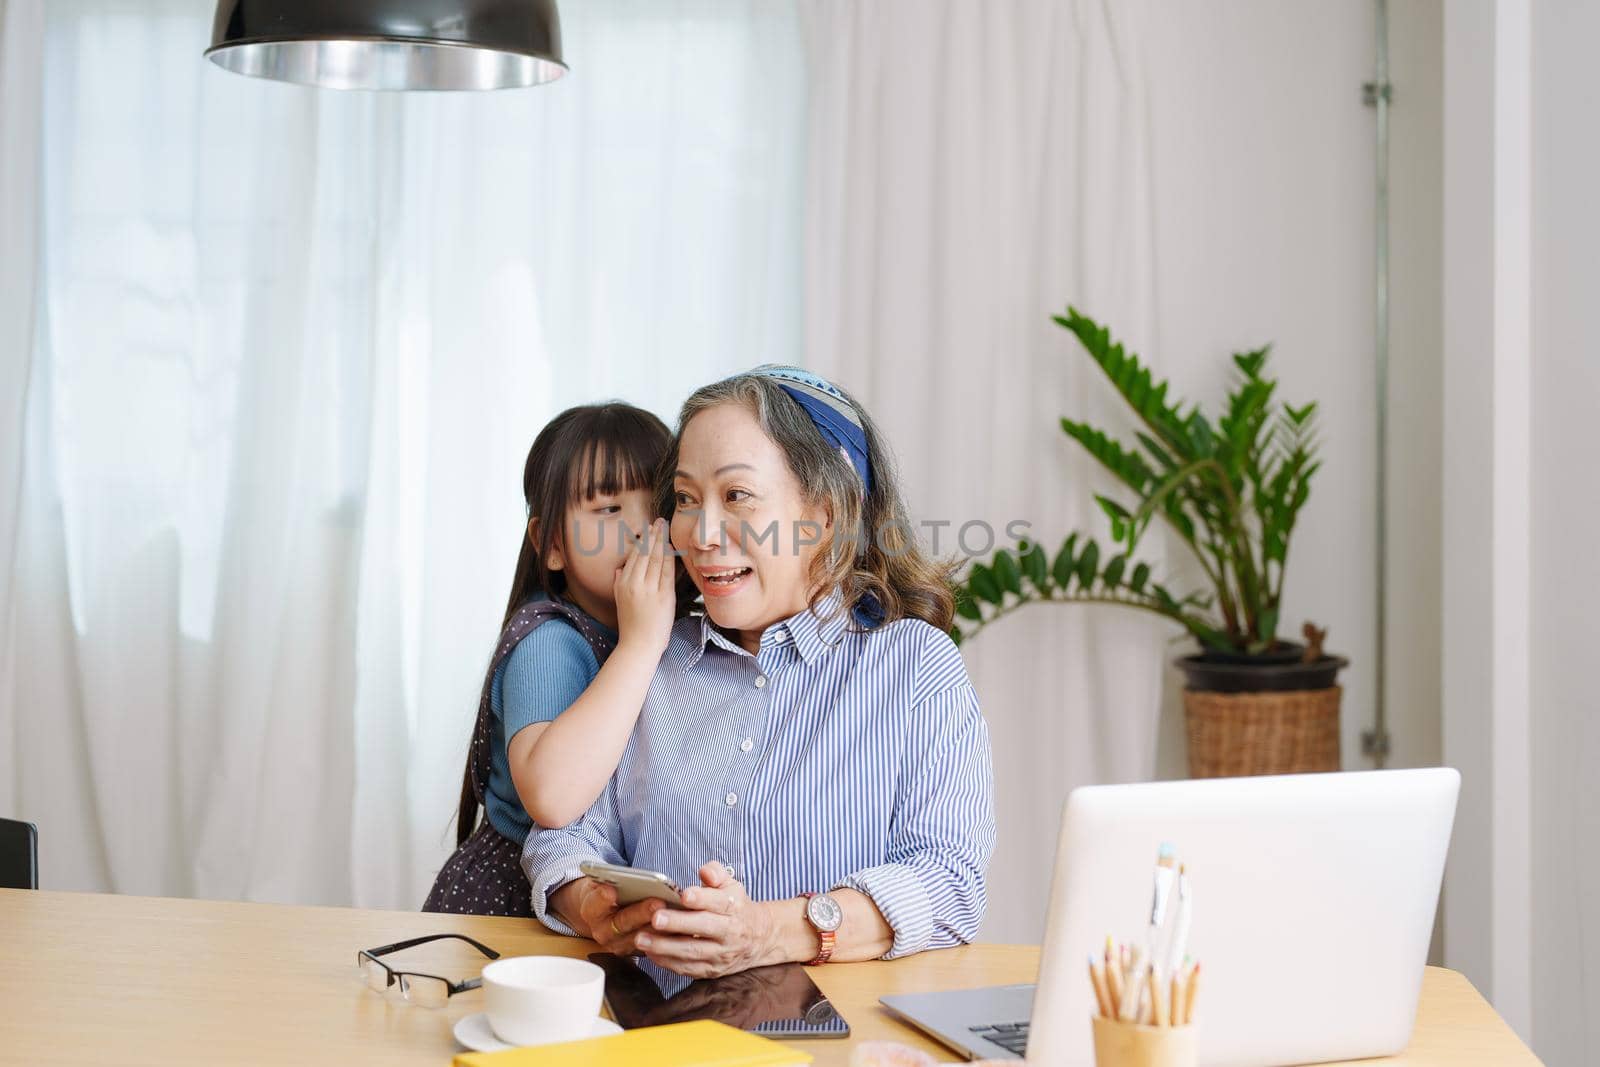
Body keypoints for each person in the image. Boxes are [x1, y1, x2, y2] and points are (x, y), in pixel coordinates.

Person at [524, 366, 995, 976]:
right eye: (688, 500)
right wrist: (595, 907)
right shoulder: (646, 660)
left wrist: (773, 931)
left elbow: (950, 882)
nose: (702, 532)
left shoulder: (914, 668)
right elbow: (559, 839)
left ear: (824, 517)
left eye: (737, 495)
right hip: (650, 1030)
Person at [423, 403, 680, 917]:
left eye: (659, 506)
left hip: (592, 897)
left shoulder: (671, 633)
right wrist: (640, 643)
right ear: (553, 544)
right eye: (608, 509)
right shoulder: (551, 643)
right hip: (512, 908)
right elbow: (553, 799)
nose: (639, 528)